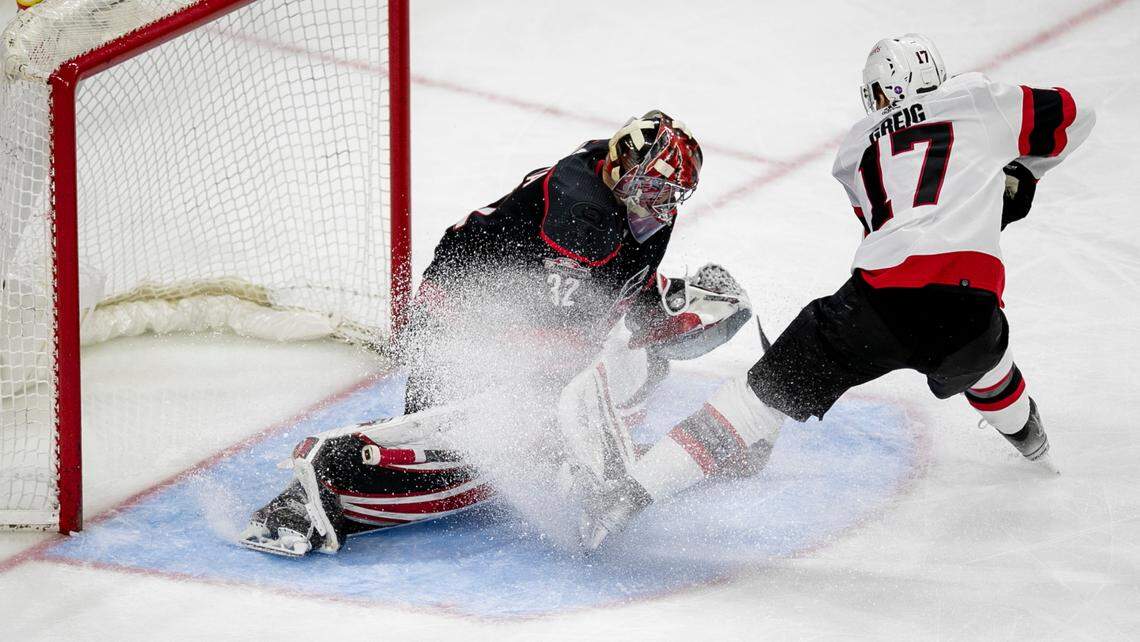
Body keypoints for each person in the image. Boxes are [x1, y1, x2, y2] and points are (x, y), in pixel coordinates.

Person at [580, 34, 1096, 551]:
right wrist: (1019, 174)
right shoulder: (978, 98)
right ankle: (1036, 448)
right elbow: (1078, 114)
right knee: (985, 360)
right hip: (970, 302)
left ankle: (629, 494)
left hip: (879, 301)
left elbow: (890, 221)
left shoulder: (856, 147)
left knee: (757, 399)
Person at [240, 111, 756, 557]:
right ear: (621, 170)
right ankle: (311, 494)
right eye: (651, 188)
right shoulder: (583, 214)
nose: (660, 204)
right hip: (458, 319)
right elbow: (566, 329)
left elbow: (619, 287)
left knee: (593, 390)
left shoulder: (633, 206)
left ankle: (652, 443)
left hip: (529, 313)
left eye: (671, 194)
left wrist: (675, 312)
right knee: (478, 432)